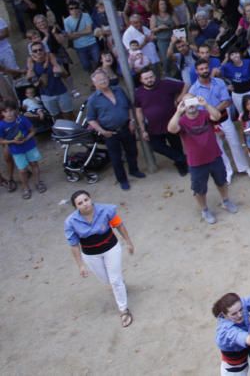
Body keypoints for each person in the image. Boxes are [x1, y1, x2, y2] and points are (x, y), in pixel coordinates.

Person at [64, 190, 135, 327]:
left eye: (86, 200)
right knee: (106, 279)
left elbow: (119, 225)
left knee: (115, 281)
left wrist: (128, 242)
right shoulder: (70, 222)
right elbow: (73, 245)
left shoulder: (106, 210)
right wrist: (80, 265)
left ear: (90, 199)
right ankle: (120, 283)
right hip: (91, 255)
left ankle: (123, 310)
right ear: (76, 207)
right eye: (80, 203)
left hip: (111, 248)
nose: (85, 204)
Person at [168, 94, 240, 224]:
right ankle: (205, 210)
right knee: (199, 189)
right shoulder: (182, 120)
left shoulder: (204, 114)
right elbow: (171, 129)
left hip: (214, 156)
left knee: (222, 181)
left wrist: (205, 104)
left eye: (192, 100)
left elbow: (217, 116)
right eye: (186, 102)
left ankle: (226, 201)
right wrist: (178, 112)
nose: (190, 105)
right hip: (196, 162)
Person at [85, 69, 144, 190]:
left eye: (105, 78)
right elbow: (91, 119)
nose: (103, 81)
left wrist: (132, 120)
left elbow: (128, 106)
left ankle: (134, 170)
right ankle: (122, 180)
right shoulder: (93, 100)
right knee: (116, 158)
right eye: (100, 80)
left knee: (132, 151)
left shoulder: (119, 90)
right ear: (94, 83)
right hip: (110, 132)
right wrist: (102, 131)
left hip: (126, 127)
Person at [133, 68, 189, 176]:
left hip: (171, 124)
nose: (149, 80)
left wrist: (179, 99)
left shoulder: (165, 84)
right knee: (156, 146)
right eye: (146, 78)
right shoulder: (139, 93)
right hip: (153, 127)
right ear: (141, 80)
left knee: (176, 145)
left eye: (151, 77)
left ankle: (181, 166)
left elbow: (185, 85)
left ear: (155, 76)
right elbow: (139, 111)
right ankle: (182, 158)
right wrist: (143, 129)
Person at [213, 292, 250, 376]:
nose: (239, 315)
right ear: (225, 315)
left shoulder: (239, 305)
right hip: (236, 366)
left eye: (241, 310)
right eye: (234, 314)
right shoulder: (226, 331)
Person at [0, 101, 44, 198]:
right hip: (16, 151)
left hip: (29, 146)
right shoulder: (1, 125)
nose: (9, 113)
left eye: (11, 110)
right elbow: (1, 141)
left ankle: (38, 183)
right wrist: (13, 141)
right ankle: (26, 188)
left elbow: (33, 131)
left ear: (15, 110)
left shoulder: (22, 119)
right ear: (2, 113)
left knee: (34, 164)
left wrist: (26, 139)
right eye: (6, 112)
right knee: (22, 170)